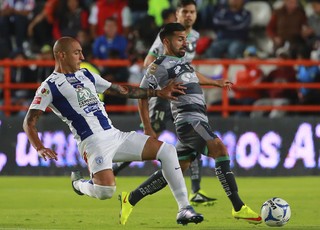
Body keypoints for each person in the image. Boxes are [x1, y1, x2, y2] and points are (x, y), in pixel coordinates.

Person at [22, 36, 203, 225]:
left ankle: (184, 208)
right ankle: (79, 184)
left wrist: (158, 93)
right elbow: (29, 122)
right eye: (77, 53)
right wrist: (39, 147)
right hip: (92, 143)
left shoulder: (86, 75)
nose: (82, 57)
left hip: (115, 135)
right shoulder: (49, 87)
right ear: (61, 55)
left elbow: (121, 90)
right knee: (106, 191)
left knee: (167, 150)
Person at [118, 23, 262, 226]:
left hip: (199, 118)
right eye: (180, 39)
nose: (185, 42)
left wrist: (214, 82)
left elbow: (192, 76)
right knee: (219, 148)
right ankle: (238, 207)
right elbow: (141, 95)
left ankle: (130, 198)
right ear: (166, 41)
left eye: (185, 38)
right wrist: (148, 127)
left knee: (176, 167)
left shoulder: (182, 61)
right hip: (189, 121)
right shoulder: (159, 65)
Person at [113, 0, 217, 206]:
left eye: (192, 12)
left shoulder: (193, 37)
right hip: (164, 97)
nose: (189, 16)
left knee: (193, 137)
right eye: (184, 12)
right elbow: (147, 63)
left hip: (182, 94)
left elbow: (185, 66)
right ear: (177, 14)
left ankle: (196, 190)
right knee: (150, 138)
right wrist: (165, 83)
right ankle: (110, 170)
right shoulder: (166, 38)